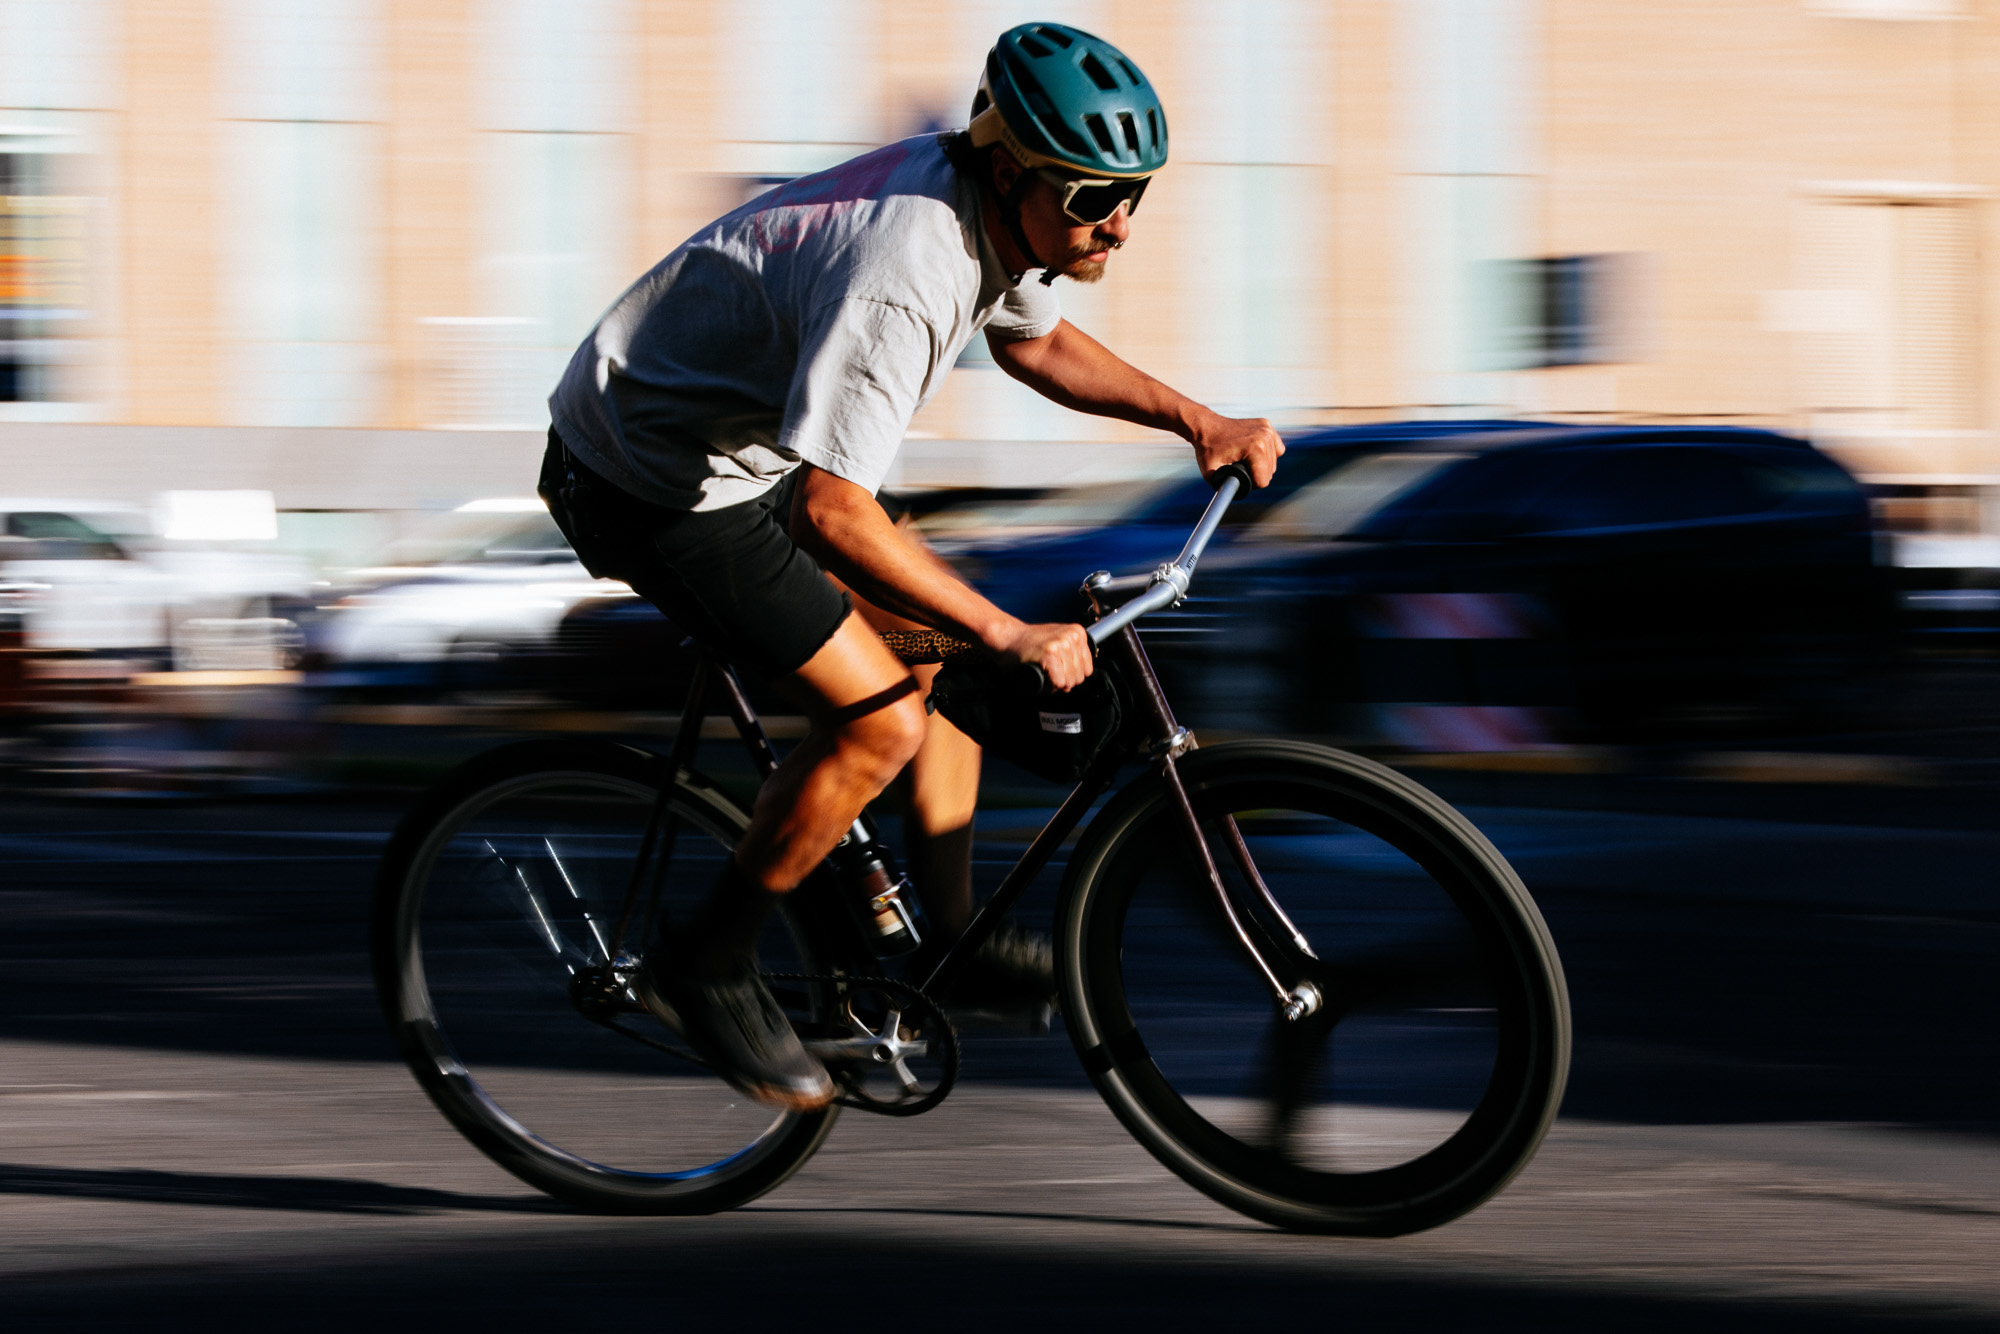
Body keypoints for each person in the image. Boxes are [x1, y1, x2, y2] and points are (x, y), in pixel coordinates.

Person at [540, 22, 1283, 1112]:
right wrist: (1007, 630)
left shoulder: (991, 218)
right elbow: (836, 509)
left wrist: (1194, 419)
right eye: (1088, 197)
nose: (1116, 224)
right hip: (647, 474)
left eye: (1133, 194)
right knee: (885, 711)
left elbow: (1033, 342)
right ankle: (703, 960)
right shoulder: (907, 271)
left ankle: (950, 943)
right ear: (1007, 168)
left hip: (740, 461)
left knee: (932, 654)